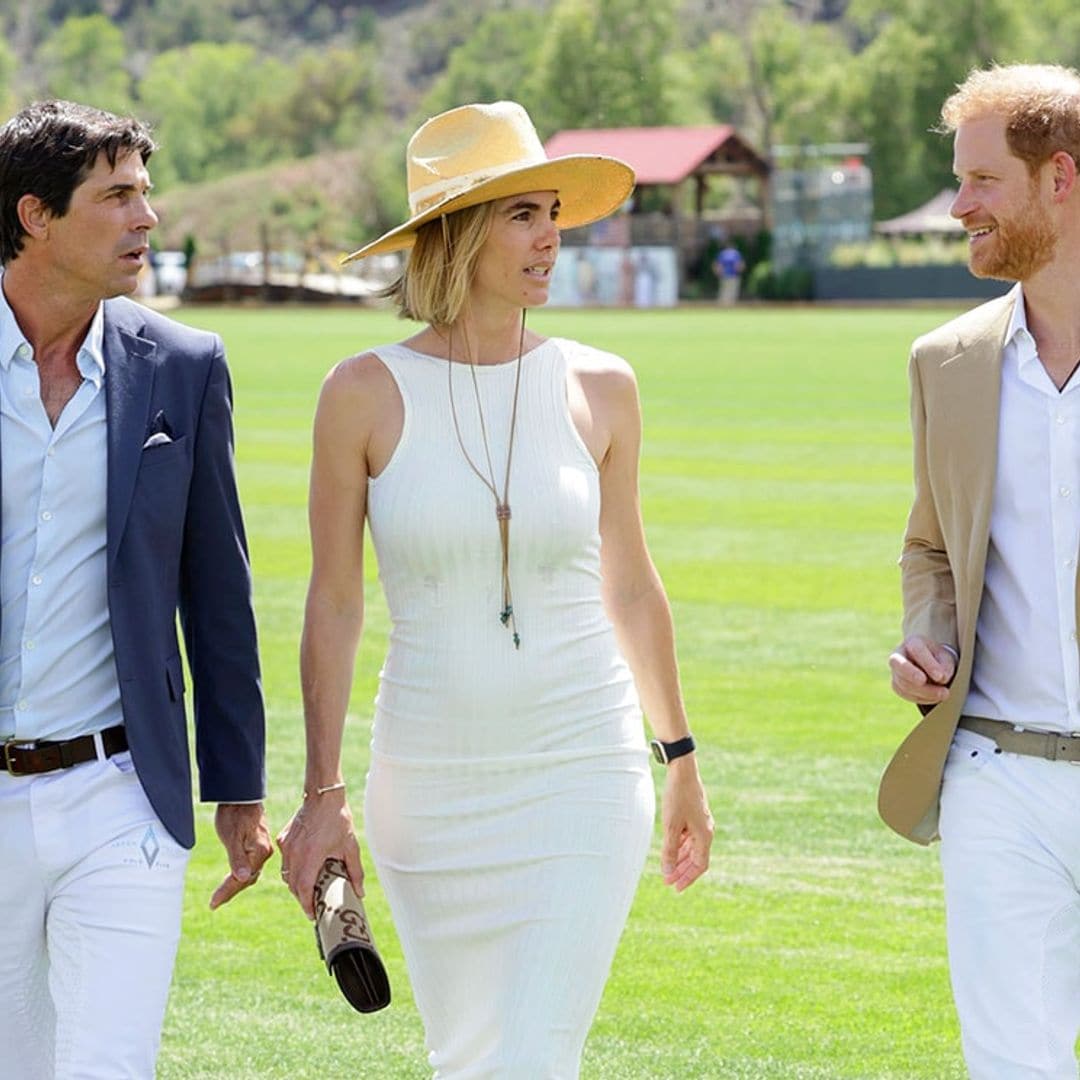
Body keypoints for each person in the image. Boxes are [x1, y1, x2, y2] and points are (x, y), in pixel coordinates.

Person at [277, 100, 714, 1077]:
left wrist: (679, 754)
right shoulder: (361, 392)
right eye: (523, 214)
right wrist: (320, 795)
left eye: (554, 210)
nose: (552, 236)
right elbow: (335, 604)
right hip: (427, 789)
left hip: (582, 772)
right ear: (458, 231)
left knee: (527, 1055)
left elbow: (632, 584)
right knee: (468, 1057)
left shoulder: (602, 386)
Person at [0, 100, 271, 1078]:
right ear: (36, 215)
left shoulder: (184, 368)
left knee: (109, 1066)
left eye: (147, 194)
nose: (147, 219)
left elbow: (218, 590)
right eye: (118, 196)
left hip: (120, 794)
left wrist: (238, 788)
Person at [880, 63, 1080, 1078]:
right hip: (996, 777)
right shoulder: (944, 363)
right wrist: (929, 636)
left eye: (982, 181)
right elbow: (932, 546)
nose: (959, 205)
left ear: (1062, 180)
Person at [713, 241, 745, 306]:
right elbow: (739, 265)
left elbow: (718, 265)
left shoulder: (722, 253)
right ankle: (730, 307)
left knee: (723, 292)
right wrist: (739, 271)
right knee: (732, 293)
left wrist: (718, 273)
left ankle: (723, 307)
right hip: (733, 275)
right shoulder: (736, 253)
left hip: (724, 275)